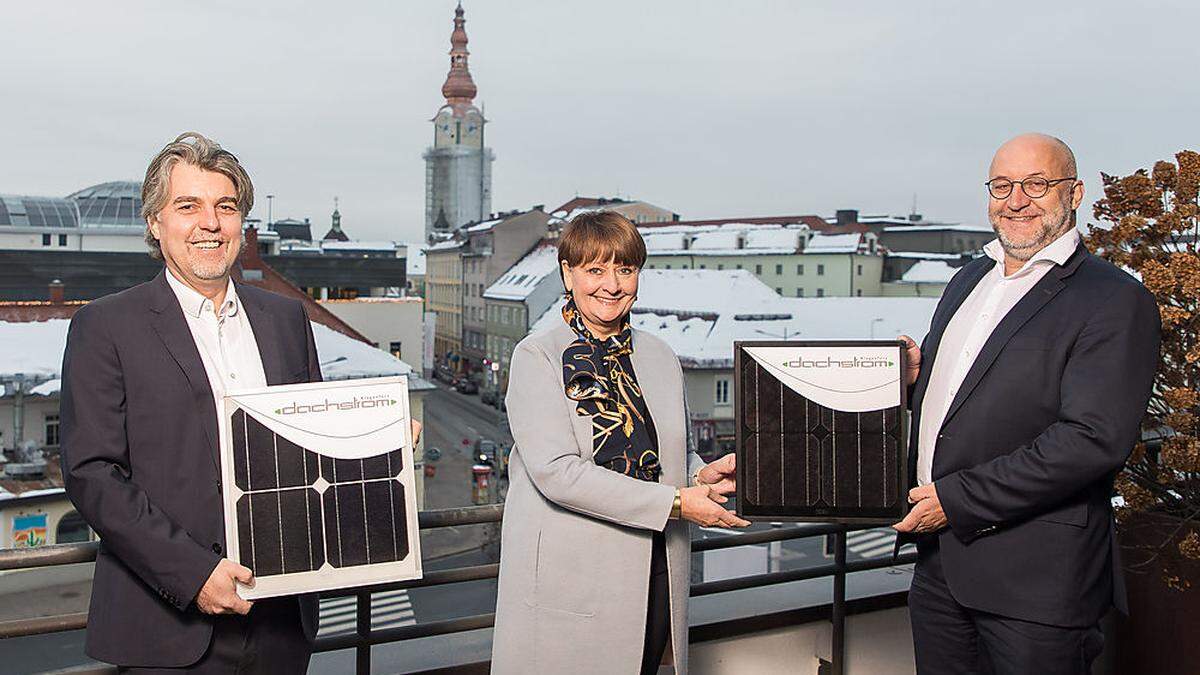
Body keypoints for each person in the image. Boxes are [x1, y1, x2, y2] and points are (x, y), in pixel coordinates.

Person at [61, 132, 418, 672]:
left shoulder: (285, 319)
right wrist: (192, 573)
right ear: (155, 224)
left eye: (225, 207)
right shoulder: (105, 326)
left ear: (242, 224)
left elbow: (310, 446)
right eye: (188, 206)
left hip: (281, 620)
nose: (210, 222)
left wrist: (379, 443)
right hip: (170, 627)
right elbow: (93, 473)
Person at [892, 133, 1160, 674]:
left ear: (1075, 191)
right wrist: (912, 382)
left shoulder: (1113, 298)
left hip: (1037, 584)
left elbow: (1092, 440)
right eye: (1002, 185)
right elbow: (967, 401)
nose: (1016, 199)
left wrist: (957, 500)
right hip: (940, 570)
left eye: (1037, 184)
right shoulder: (968, 280)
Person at [491, 211, 749, 674]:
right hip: (571, 579)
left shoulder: (659, 355)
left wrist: (698, 474)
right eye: (595, 269)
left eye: (625, 269)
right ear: (567, 273)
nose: (611, 284)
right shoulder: (537, 357)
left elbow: (669, 448)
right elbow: (558, 473)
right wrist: (677, 502)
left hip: (653, 570)